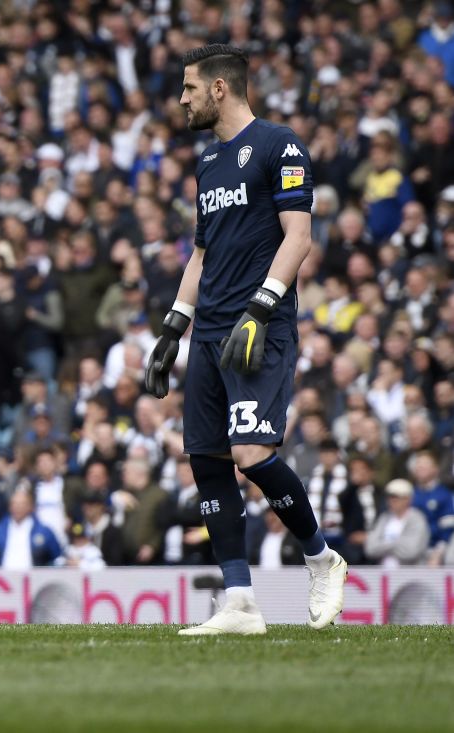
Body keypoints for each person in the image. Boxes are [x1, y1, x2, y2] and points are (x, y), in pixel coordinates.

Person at [144, 45, 346, 636]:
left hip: (259, 326)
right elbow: (201, 254)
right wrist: (172, 327)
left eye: (188, 88)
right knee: (206, 460)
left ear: (218, 90)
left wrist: (262, 305)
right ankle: (239, 603)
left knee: (252, 454)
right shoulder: (209, 162)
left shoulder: (280, 145)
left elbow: (299, 236)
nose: (181, 98)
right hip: (208, 332)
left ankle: (322, 559)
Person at [0, 490, 62, 568]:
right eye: (15, 503)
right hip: (4, 578)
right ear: (9, 506)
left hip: (35, 578)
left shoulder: (44, 531)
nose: (18, 507)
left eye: (22, 504)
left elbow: (57, 557)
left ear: (31, 507)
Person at [364, 479, 430, 567]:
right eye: (390, 497)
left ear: (408, 499)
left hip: (409, 574)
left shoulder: (417, 519)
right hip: (383, 574)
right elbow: (370, 548)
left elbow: (411, 552)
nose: (392, 501)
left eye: (397, 497)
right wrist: (396, 545)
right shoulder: (384, 518)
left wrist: (384, 545)